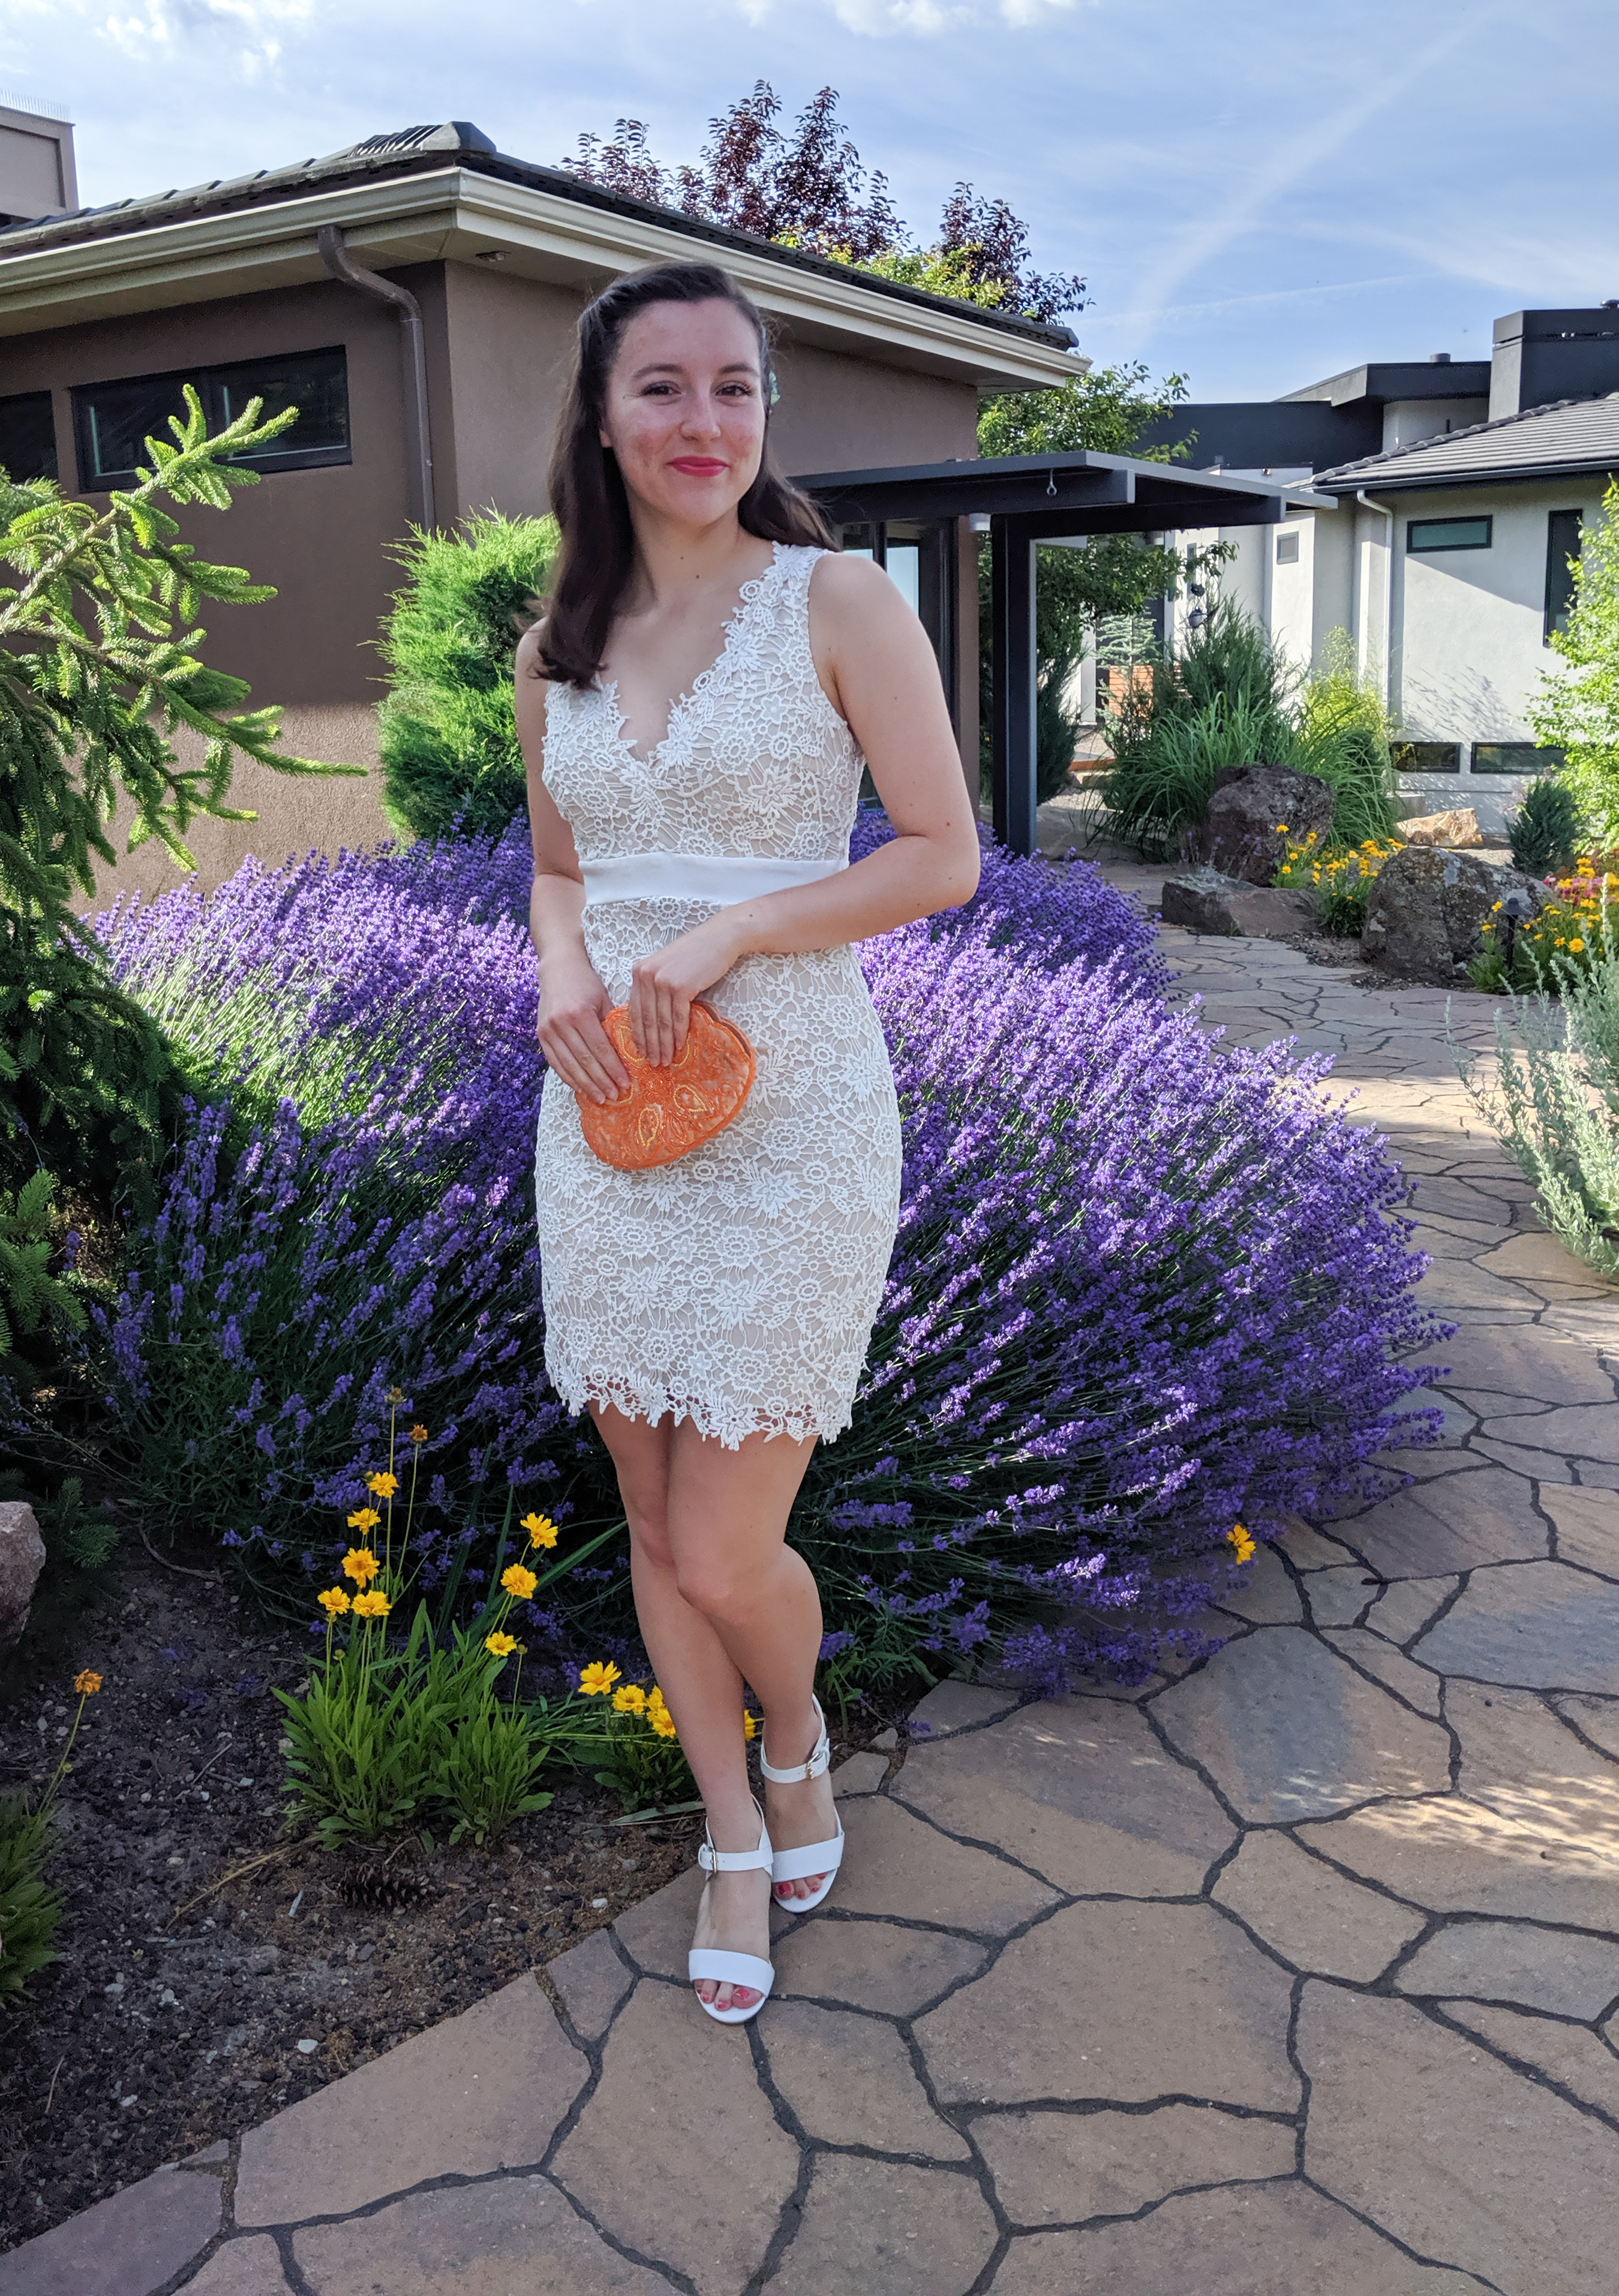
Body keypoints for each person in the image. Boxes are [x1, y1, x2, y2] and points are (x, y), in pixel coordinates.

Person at [515, 260, 977, 2023]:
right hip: (609, 1113)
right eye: (663, 389)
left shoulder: (839, 603)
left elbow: (939, 855)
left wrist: (731, 933)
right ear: (604, 416)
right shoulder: (555, 641)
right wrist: (564, 973)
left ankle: (799, 1739)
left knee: (726, 1545)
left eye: (734, 387)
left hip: (793, 1113)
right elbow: (559, 869)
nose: (704, 423)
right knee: (647, 1504)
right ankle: (728, 1825)